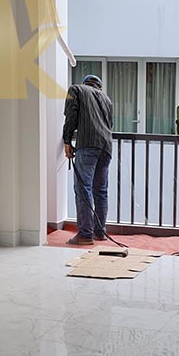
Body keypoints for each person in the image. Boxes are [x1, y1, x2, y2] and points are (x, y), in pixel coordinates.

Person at [62, 74, 114, 245]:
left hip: (88, 145)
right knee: (101, 190)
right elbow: (109, 124)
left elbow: (71, 116)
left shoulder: (76, 90)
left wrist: (67, 140)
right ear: (99, 86)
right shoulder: (107, 100)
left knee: (83, 188)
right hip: (106, 147)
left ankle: (85, 234)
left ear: (85, 83)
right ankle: (100, 231)